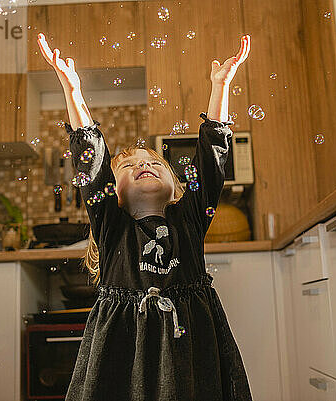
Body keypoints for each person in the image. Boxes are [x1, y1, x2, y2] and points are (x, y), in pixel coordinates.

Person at [37, 32, 252, 401]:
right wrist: (73, 92)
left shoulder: (188, 219)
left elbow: (211, 162)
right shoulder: (111, 224)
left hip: (188, 344)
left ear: (176, 186)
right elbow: (91, 160)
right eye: (132, 165)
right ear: (113, 191)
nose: (145, 164)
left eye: (154, 162)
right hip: (125, 347)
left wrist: (220, 86)